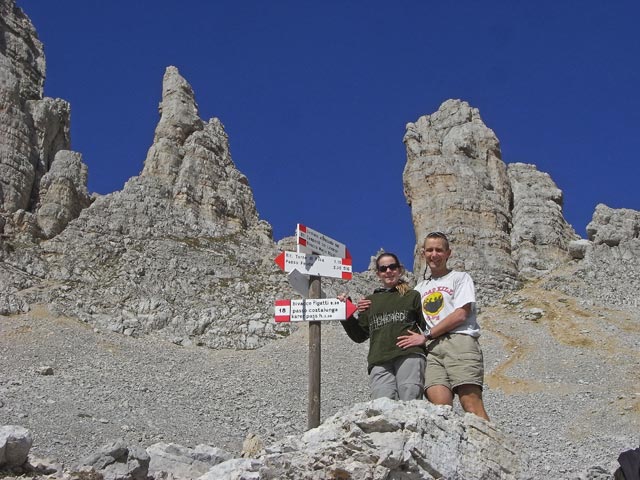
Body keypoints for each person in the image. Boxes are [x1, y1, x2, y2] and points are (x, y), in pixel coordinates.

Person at [396, 231, 490, 420]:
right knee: (441, 411)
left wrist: (427, 335)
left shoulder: (460, 278)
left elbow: (461, 314)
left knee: (471, 404)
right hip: (432, 350)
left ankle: (493, 448)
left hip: (459, 342)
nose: (434, 254)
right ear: (423, 253)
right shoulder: (420, 288)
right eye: (429, 250)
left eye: (439, 250)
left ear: (448, 253)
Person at [339, 252, 427, 401]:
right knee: (381, 404)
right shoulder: (369, 301)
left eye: (392, 267)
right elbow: (359, 335)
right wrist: (345, 312)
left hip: (409, 354)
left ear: (400, 270)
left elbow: (427, 324)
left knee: (410, 399)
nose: (388, 271)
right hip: (379, 359)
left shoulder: (413, 295)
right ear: (378, 274)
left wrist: (424, 338)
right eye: (383, 268)